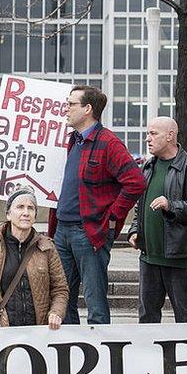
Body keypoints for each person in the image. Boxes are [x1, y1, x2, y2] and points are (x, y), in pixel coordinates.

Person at [49, 85, 146, 325]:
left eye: (71, 104)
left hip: (89, 231)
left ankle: (100, 352)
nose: (66, 109)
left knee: (95, 299)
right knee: (62, 297)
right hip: (62, 230)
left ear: (87, 109)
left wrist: (112, 217)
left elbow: (135, 182)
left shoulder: (108, 143)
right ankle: (69, 347)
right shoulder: (74, 140)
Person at [128, 117, 187, 323]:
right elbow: (141, 205)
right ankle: (148, 355)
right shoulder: (148, 167)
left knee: (185, 318)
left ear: (170, 135)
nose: (148, 138)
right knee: (147, 318)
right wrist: (134, 230)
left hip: (179, 257)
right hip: (149, 256)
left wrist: (171, 205)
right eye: (148, 133)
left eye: (153, 133)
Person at [0, 187, 68, 333]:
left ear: (35, 216)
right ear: (9, 214)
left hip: (38, 332)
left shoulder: (47, 247)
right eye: (20, 207)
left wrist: (56, 312)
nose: (26, 213)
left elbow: (60, 289)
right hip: (1, 330)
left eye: (31, 208)